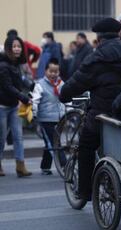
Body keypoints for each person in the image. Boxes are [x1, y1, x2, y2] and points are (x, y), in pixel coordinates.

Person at [59, 18, 121, 200]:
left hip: (103, 117)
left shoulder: (96, 58)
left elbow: (77, 82)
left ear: (99, 38)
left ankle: (85, 191)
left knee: (86, 146)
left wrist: (63, 94)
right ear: (117, 34)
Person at [0, 36, 32, 177]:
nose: (17, 49)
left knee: (18, 136)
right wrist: (24, 98)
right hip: (2, 106)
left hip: (14, 106)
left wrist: (34, 86)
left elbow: (21, 82)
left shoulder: (16, 64)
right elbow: (7, 87)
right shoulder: (2, 65)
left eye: (19, 46)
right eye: (14, 46)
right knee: (1, 138)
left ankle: (20, 165)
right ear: (8, 48)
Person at [32, 58, 66, 175]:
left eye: (56, 71)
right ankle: (64, 166)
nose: (53, 74)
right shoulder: (40, 84)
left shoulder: (61, 84)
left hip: (59, 118)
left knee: (50, 143)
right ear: (45, 71)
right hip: (45, 119)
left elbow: (66, 99)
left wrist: (69, 111)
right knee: (55, 143)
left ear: (59, 72)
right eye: (51, 71)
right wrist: (34, 114)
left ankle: (45, 166)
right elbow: (35, 100)